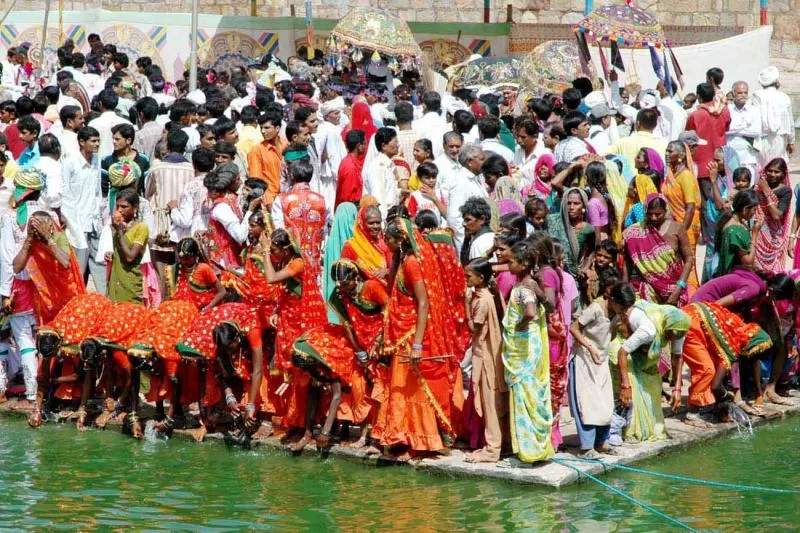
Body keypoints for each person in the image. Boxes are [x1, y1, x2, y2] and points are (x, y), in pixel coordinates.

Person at [374, 218, 463, 456]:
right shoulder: (402, 260)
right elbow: (393, 285)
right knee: (401, 389)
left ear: (400, 240)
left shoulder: (413, 263)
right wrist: (393, 262)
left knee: (412, 391)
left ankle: (420, 439)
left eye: (389, 239)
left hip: (412, 335)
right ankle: (401, 436)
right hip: (400, 334)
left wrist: (416, 345)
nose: (385, 242)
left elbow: (423, 303)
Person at [261, 228, 326, 447]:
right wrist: (276, 311)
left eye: (275, 250)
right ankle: (295, 425)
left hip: (302, 325)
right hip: (288, 323)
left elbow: (270, 279)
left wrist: (263, 252)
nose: (273, 254)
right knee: (290, 377)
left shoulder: (297, 263)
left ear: (286, 249)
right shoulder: (284, 262)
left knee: (304, 378)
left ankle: (307, 429)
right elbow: (285, 292)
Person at [609, 282, 689, 442]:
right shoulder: (649, 329)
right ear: (666, 328)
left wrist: (677, 387)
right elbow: (622, 352)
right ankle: (629, 431)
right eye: (673, 334)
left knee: (654, 386)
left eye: (679, 335)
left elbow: (677, 356)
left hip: (643, 356)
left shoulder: (678, 327)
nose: (675, 337)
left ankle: (651, 428)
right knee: (633, 390)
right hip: (622, 349)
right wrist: (626, 385)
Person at [326, 259, 390, 449]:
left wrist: (380, 340)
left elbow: (389, 308)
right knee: (360, 389)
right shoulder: (340, 295)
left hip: (382, 343)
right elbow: (347, 326)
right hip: (361, 345)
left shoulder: (371, 287)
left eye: (345, 283)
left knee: (380, 389)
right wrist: (359, 350)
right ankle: (364, 433)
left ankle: (378, 436)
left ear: (355, 277)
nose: (341, 288)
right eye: (338, 284)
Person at [677, 302, 772, 427]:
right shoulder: (732, 346)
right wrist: (728, 396)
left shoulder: (738, 328)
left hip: (692, 315)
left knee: (709, 367)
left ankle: (704, 409)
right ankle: (693, 414)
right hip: (691, 323)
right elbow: (716, 386)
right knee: (706, 370)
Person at [502, 241, 554, 463]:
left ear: (523, 265)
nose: (508, 264)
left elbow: (531, 312)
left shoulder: (524, 288)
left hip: (524, 350)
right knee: (533, 393)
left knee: (525, 396)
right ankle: (537, 448)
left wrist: (521, 324)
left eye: (511, 262)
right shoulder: (531, 284)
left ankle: (529, 451)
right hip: (530, 347)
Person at [463, 257, 507, 463]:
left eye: (468, 276)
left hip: (486, 357)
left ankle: (492, 449)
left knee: (490, 404)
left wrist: (465, 304)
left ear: (480, 278)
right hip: (492, 354)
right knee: (496, 404)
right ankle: (501, 444)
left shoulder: (481, 301)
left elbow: (474, 329)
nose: (466, 279)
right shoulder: (488, 295)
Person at [568, 268, 617, 456]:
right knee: (586, 404)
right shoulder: (595, 309)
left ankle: (601, 442)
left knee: (604, 403)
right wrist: (589, 347)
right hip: (584, 359)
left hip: (601, 360)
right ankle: (587, 446)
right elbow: (574, 328)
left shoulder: (616, 312)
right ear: (607, 293)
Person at [11, 210, 85, 324]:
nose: (36, 231)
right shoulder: (32, 242)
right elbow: (16, 267)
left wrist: (48, 238)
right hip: (45, 296)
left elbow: (65, 262)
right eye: (33, 227)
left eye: (39, 227)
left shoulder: (59, 237)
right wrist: (29, 240)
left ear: (49, 226)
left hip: (66, 290)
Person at [623, 195, 694, 306]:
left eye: (658, 214)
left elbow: (689, 258)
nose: (653, 218)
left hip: (673, 289)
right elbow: (627, 262)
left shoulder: (677, 228)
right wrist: (625, 287)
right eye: (650, 214)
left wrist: (680, 286)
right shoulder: (634, 232)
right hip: (646, 291)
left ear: (665, 211)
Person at [271, 158, 328, 278]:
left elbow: (278, 230)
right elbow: (326, 229)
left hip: (292, 259)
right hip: (315, 256)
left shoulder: (281, 199)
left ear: (291, 175)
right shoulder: (322, 199)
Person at [662, 141, 700, 289]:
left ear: (682, 155)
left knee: (687, 263)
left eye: (670, 151)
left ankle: (690, 297)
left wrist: (681, 231)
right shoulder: (672, 175)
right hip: (673, 224)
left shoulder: (685, 176)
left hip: (686, 225)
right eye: (666, 150)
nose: (666, 153)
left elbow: (690, 207)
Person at [199, 163, 250, 271]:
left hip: (231, 258)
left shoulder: (231, 201)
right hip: (225, 262)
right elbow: (240, 235)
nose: (240, 182)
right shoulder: (223, 206)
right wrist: (250, 211)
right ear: (229, 183)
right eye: (237, 179)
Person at [106, 189, 151, 305]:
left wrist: (120, 233)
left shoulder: (141, 228)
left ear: (134, 208)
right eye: (118, 206)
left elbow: (130, 257)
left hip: (130, 283)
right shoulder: (117, 226)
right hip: (116, 280)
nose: (120, 210)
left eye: (124, 206)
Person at [685, 82, 731, 181]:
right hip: (721, 163)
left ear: (698, 96)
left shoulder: (695, 115)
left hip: (702, 165)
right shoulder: (725, 111)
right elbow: (727, 129)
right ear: (714, 95)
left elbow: (688, 138)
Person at [753, 158, 791, 272]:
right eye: (770, 171)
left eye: (777, 172)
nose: (772, 174)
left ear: (783, 174)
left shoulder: (785, 191)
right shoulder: (756, 187)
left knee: (773, 270)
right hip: (757, 229)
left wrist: (766, 192)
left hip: (773, 235)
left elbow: (776, 216)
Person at [447, 144, 488, 252]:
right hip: (469, 242)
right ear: (470, 162)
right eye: (482, 159)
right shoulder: (460, 182)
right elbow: (454, 217)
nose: (485, 162)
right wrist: (464, 243)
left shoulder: (476, 178)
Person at [340, 201, 391, 285]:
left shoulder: (385, 244)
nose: (375, 226)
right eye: (371, 223)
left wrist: (386, 271)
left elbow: (396, 269)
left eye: (378, 222)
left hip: (385, 291)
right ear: (362, 224)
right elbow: (344, 275)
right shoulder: (351, 246)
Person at [752, 65, 795, 165]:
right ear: (776, 82)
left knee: (762, 165)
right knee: (777, 165)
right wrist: (791, 141)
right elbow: (790, 122)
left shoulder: (756, 95)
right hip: (779, 138)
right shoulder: (784, 96)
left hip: (761, 138)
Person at [172, 237, 226, 311]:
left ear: (196, 255)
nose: (184, 261)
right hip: (181, 309)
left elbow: (222, 291)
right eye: (181, 258)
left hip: (202, 310)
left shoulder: (204, 268)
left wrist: (208, 308)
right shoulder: (177, 268)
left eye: (187, 258)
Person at [714, 189, 759, 277]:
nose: (754, 214)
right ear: (745, 209)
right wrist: (755, 234)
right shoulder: (735, 230)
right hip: (734, 278)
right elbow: (748, 262)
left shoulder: (731, 220)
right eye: (754, 210)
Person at [726, 81, 761, 182]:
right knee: (732, 183)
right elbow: (724, 130)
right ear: (733, 94)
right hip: (731, 153)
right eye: (740, 93)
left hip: (748, 155)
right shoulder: (727, 110)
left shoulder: (754, 110)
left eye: (745, 92)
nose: (743, 95)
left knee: (749, 184)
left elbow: (756, 131)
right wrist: (744, 128)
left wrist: (735, 129)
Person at [247, 111, 284, 206]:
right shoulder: (257, 151)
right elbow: (256, 182)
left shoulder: (286, 145)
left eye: (267, 128)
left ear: (277, 128)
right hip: (270, 201)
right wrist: (268, 202)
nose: (263, 131)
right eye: (261, 128)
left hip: (288, 198)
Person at [364, 127, 400, 219]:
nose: (398, 145)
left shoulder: (388, 164)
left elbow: (388, 190)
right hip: (385, 217)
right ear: (384, 146)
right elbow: (378, 196)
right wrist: (383, 221)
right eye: (395, 142)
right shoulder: (378, 167)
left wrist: (399, 192)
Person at [334, 129, 367, 209]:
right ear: (358, 146)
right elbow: (347, 197)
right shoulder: (350, 167)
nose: (366, 147)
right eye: (365, 144)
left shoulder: (348, 161)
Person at [459, 197, 494, 265]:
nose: (463, 224)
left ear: (482, 219)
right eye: (464, 220)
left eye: (468, 220)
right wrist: (466, 240)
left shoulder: (478, 244)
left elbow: (477, 273)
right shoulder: (493, 237)